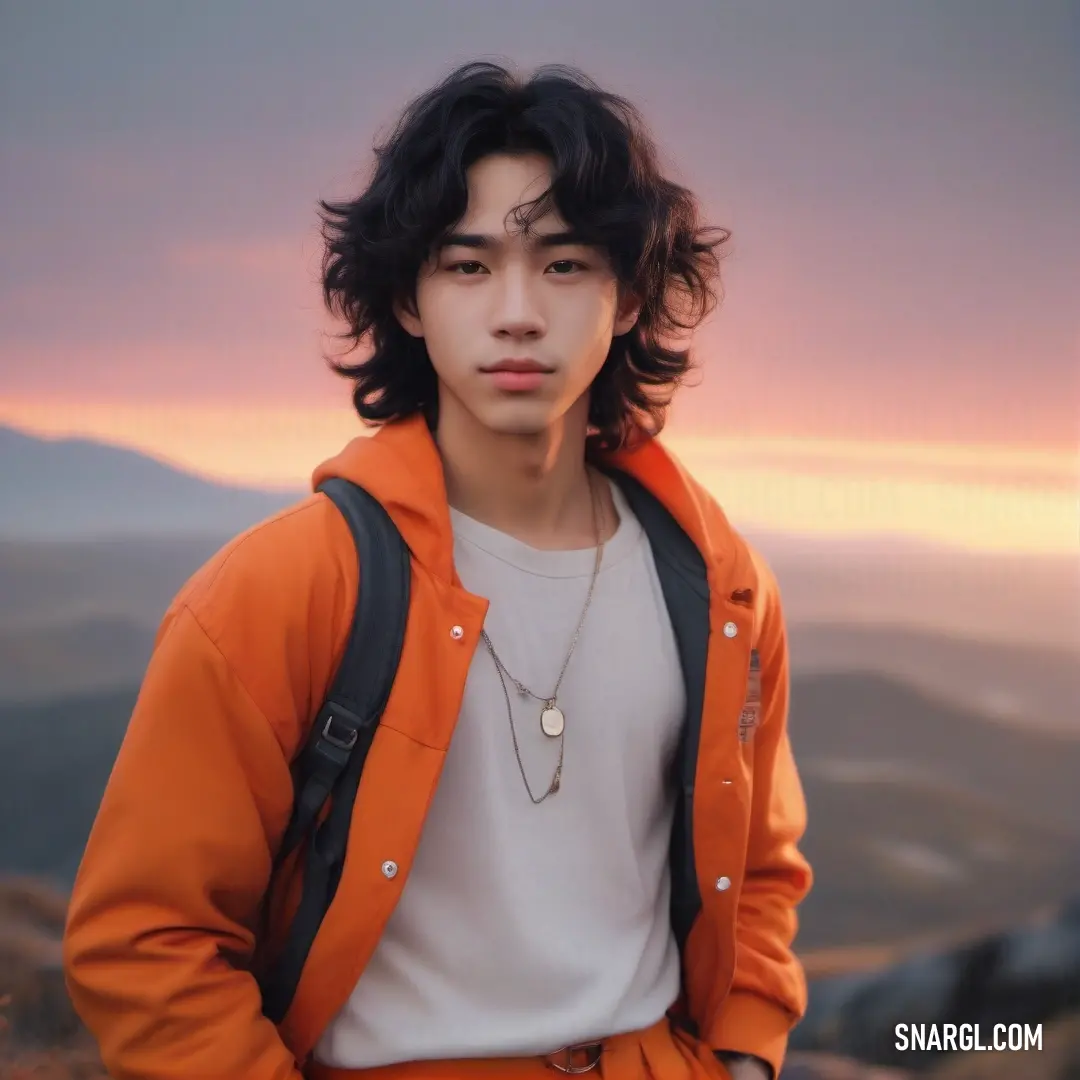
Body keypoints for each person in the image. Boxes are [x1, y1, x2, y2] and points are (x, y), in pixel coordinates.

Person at [62, 61, 812, 1080]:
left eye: (563, 265)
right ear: (407, 301)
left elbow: (761, 871)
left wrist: (746, 1054)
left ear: (631, 296)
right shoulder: (284, 589)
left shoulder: (719, 588)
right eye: (467, 266)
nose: (515, 313)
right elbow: (146, 940)